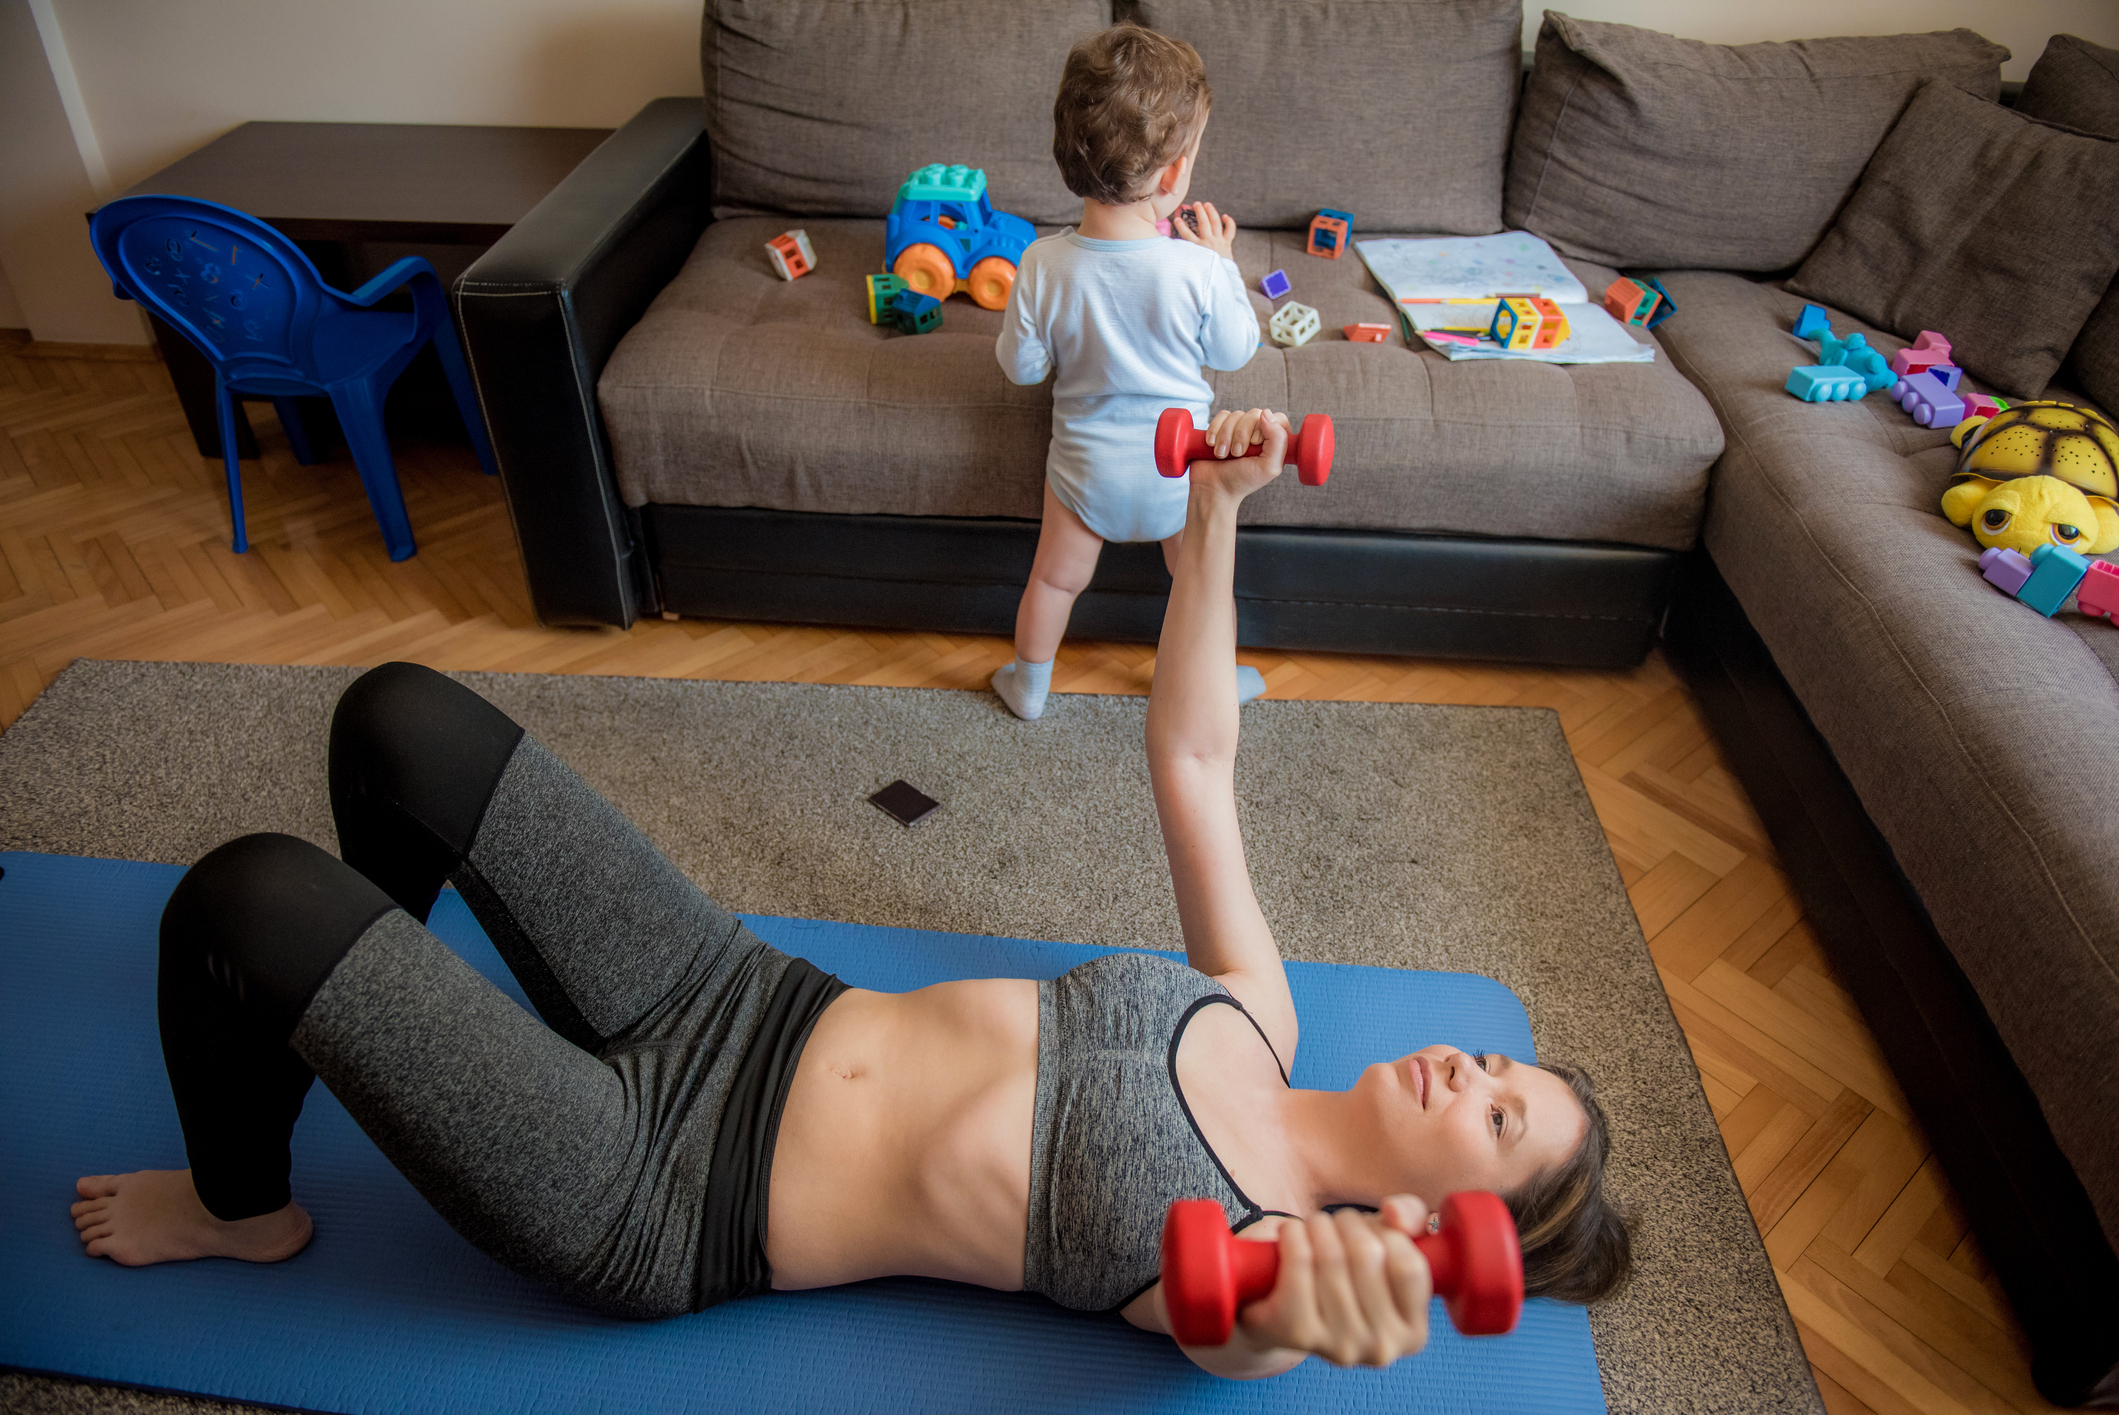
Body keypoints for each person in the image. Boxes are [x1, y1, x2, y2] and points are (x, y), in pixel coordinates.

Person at [71, 411, 1630, 1380]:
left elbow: (1253, 1330)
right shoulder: (1256, 1017)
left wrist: (1338, 1309)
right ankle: (381, 1028)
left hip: (659, 1189)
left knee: (243, 901)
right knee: (398, 715)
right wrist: (1213, 524)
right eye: (1502, 1064)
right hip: (735, 995)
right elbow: (1198, 757)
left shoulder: (1254, 1253)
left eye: (1498, 1115)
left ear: (1442, 1224)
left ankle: (240, 1209)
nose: (1471, 1066)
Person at [989, 24, 1265, 721]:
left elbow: (1021, 368)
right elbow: (1235, 350)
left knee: (1054, 580)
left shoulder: (1041, 264)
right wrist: (1224, 267)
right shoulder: (1199, 268)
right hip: (1178, 472)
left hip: (1084, 475)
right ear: (1173, 176)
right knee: (1199, 584)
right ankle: (1215, 681)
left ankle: (1028, 681)